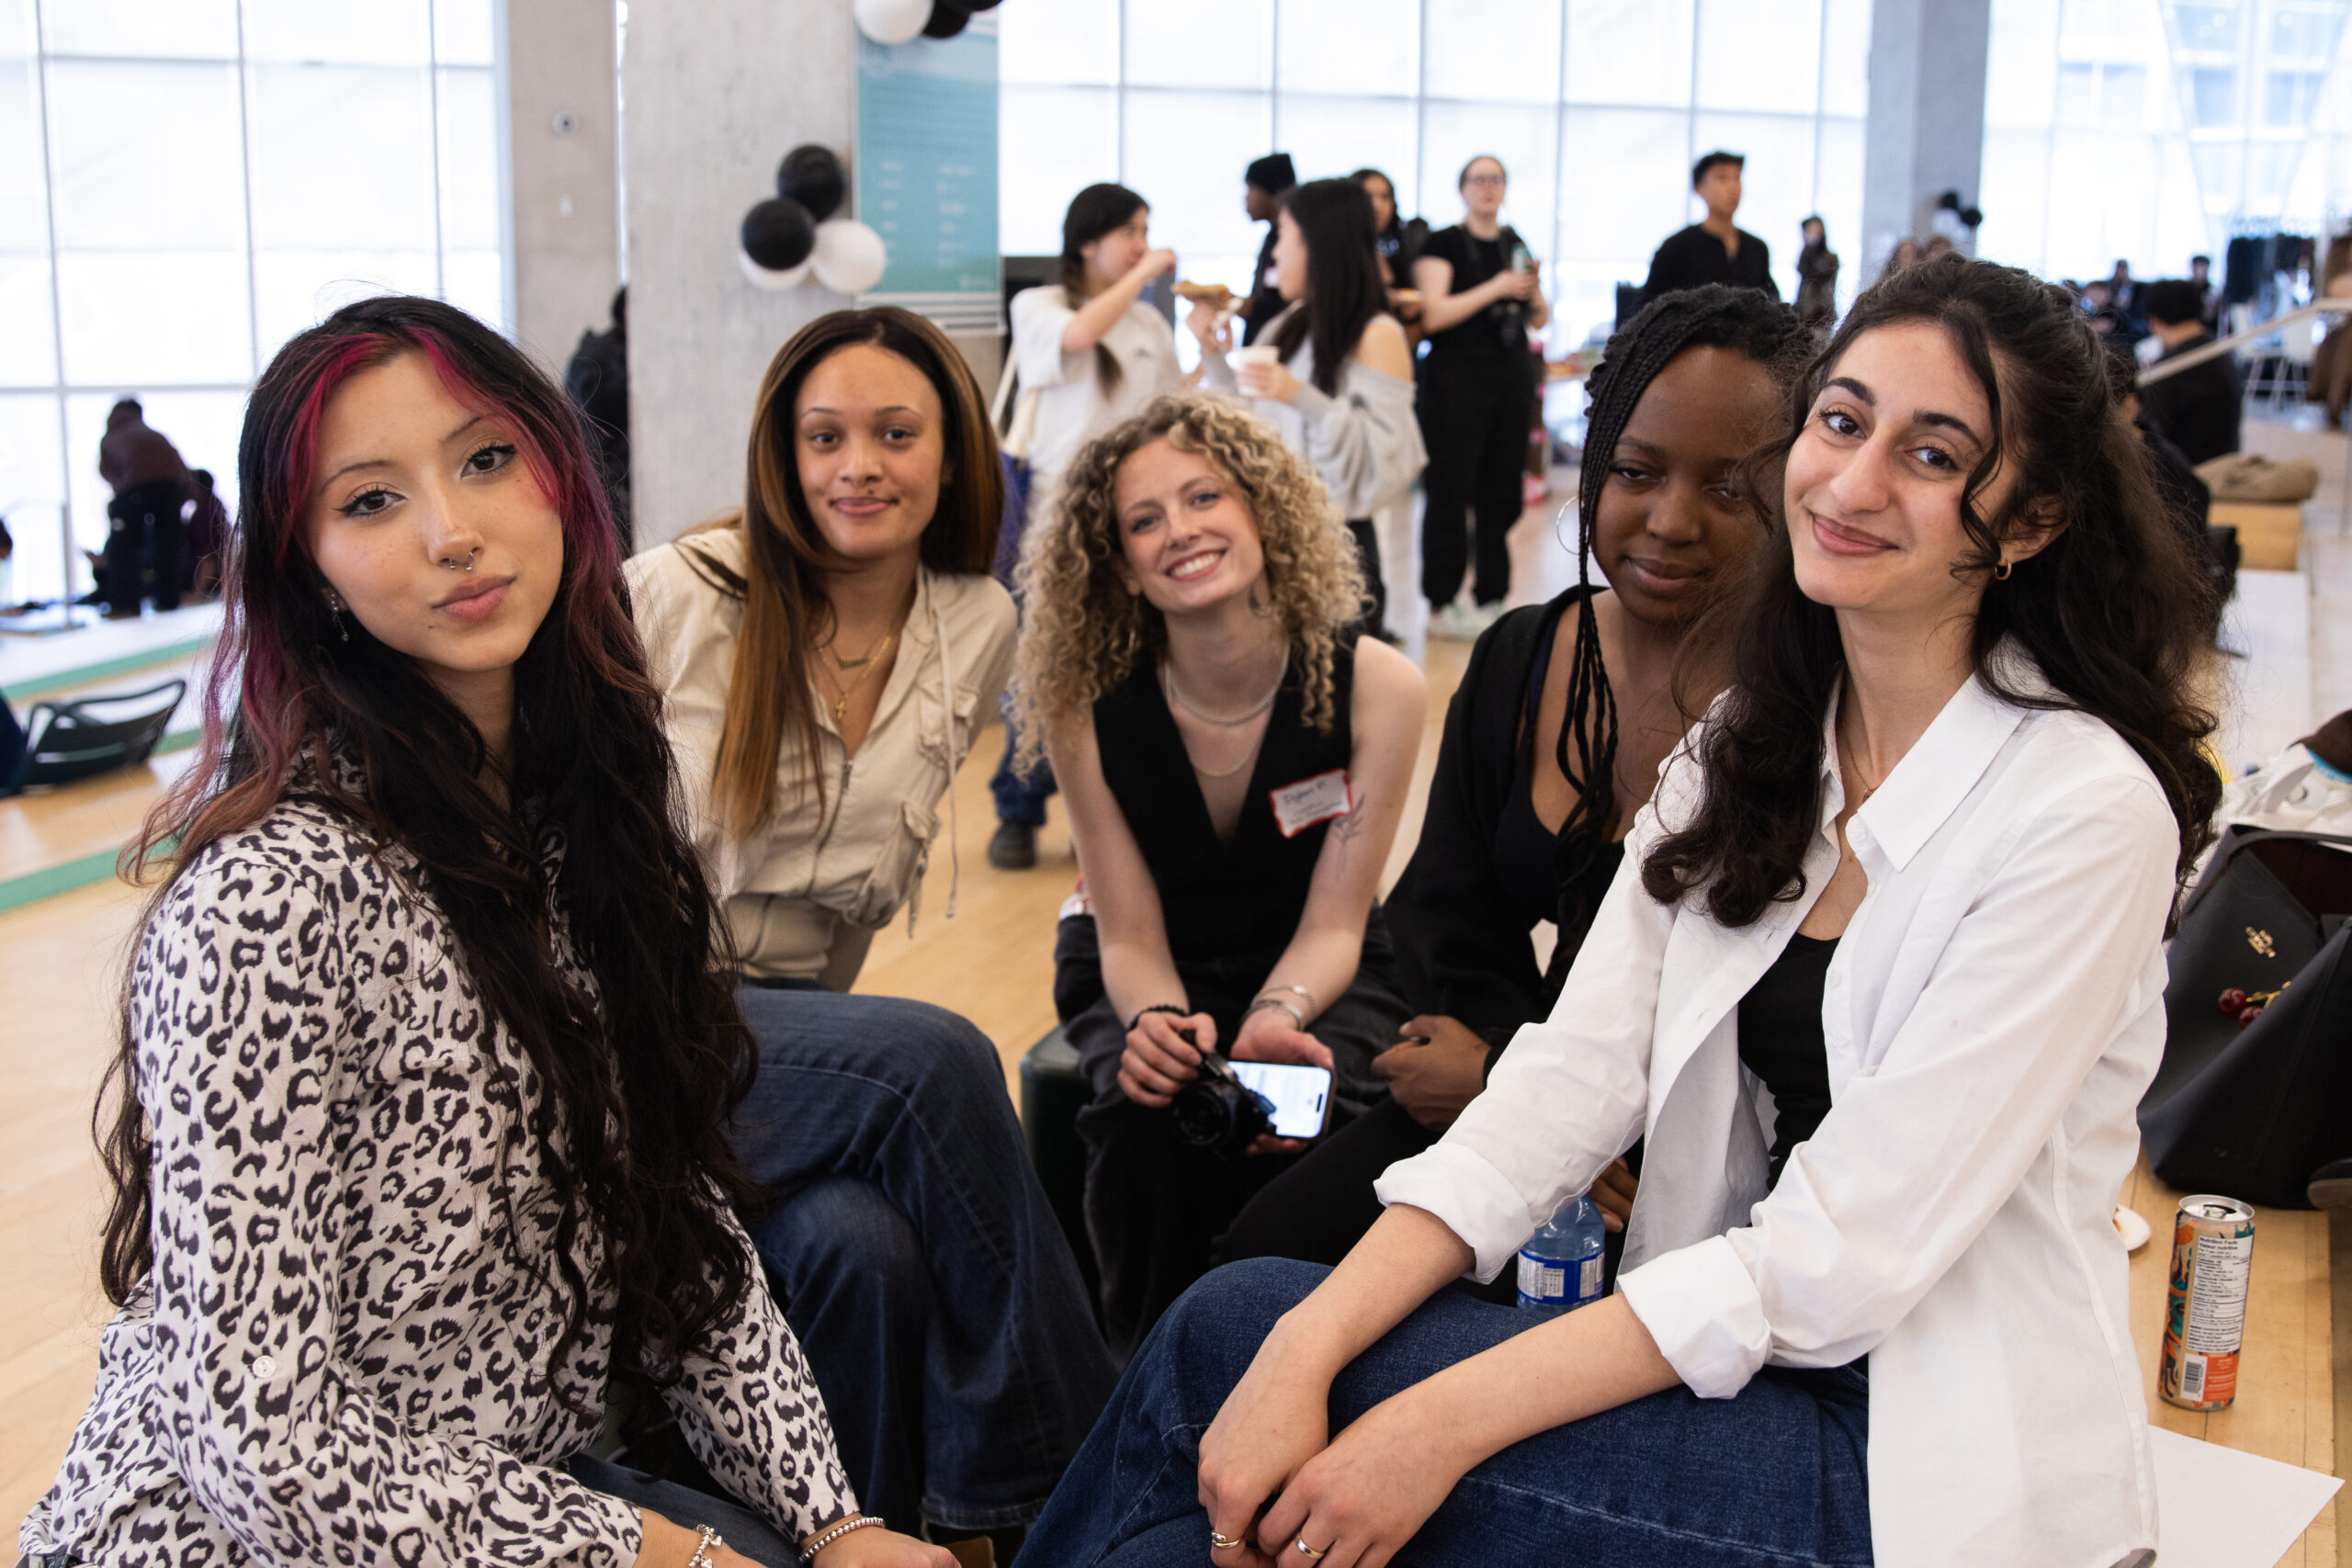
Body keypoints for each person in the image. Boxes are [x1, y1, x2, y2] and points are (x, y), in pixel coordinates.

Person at [1021, 253, 2225, 1568]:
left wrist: (1433, 1423)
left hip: (1919, 1451)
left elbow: (1837, 1260)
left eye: (1933, 455)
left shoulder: (2078, 810)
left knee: (1223, 1412)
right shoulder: (1756, 743)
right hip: (1729, 1357)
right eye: (1842, 420)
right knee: (1241, 1326)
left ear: (2035, 517)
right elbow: (1570, 1071)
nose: (1855, 480)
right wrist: (1308, 1349)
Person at [19, 296, 950, 1568]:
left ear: (560, 477)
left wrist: (829, 1518)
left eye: (484, 459)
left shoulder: (590, 821)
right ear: (312, 573)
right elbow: (259, 1442)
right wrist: (664, 1555)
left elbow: (673, 1218)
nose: (453, 532)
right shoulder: (271, 897)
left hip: (504, 1495)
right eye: (369, 501)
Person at [626, 306, 1116, 1553]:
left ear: (950, 455)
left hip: (784, 1058)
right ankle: (1097, 1498)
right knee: (940, 1059)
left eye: (896, 434)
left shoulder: (976, 622)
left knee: (865, 1244)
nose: (861, 465)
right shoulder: (682, 592)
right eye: (825, 436)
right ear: (782, 457)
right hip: (625, 1029)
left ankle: (881, 1536)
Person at [1216, 285, 1811, 1288]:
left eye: (1727, 490)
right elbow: (1449, 907)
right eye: (1633, 471)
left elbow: (1774, 1030)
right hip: (1501, 1097)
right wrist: (1495, 1072)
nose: (1667, 520)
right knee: (1256, 1264)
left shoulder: (1804, 715)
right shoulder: (1528, 657)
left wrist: (1506, 1082)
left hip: (1698, 1162)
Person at [1014, 390, 1427, 1358]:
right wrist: (1156, 1026)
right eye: (1143, 521)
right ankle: (1146, 1381)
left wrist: (1278, 1015)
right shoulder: (1082, 704)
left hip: (1318, 959)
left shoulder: (1378, 687)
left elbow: (1335, 922)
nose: (1180, 533)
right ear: (1117, 564)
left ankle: (1304, 1370)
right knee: (1147, 1119)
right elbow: (1124, 932)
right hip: (1146, 959)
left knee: (1320, 1120)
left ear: (1260, 510)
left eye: (1204, 499)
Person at [991, 182, 1189, 870]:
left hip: (1133, 525)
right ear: (1087, 241)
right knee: (1041, 673)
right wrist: (1144, 274)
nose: (1143, 244)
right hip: (1052, 525)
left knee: (1124, 670)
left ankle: (1100, 812)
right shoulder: (1040, 305)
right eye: (1130, 231)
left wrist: (1216, 351)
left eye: (1146, 230)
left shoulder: (1149, 327)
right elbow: (1078, 335)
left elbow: (1175, 411)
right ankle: (1016, 810)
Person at [1197, 176, 1424, 638]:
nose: (1276, 252)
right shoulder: (1285, 325)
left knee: (1336, 693)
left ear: (1319, 246)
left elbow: (1380, 463)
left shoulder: (1377, 334)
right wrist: (1212, 356)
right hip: (1273, 535)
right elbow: (1245, 420)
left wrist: (1296, 394)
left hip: (1338, 547)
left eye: (1284, 236)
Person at [1412, 155, 1547, 639]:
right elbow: (1433, 316)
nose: (1488, 188)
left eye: (1496, 179)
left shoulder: (1515, 242)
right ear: (1462, 188)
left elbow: (1540, 317)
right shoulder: (1442, 243)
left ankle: (1492, 596)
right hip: (1455, 375)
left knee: (1502, 488)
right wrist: (1496, 287)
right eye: (1478, 179)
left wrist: (1529, 293)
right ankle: (1442, 600)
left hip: (1509, 372)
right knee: (1449, 489)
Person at [1639, 151, 1777, 307]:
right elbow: (1649, 309)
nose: (1733, 187)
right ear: (1700, 188)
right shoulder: (1677, 248)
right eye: (1722, 178)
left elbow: (1771, 301)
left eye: (1737, 177)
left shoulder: (1757, 248)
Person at [97, 398, 194, 617]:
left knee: (123, 547)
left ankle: (126, 606)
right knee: (168, 545)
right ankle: (169, 601)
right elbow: (181, 468)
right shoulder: (154, 434)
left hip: (134, 489)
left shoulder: (111, 436)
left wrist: (121, 495)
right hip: (172, 488)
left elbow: (106, 471)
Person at [2138, 276, 2243, 465]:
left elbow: (2149, 437)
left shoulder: (2173, 367)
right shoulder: (2218, 353)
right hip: (2225, 464)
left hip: (2190, 476)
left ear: (2154, 321)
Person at [565, 284, 633, 551]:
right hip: (605, 477)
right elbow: (594, 404)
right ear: (627, 311)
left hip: (612, 475)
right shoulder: (598, 353)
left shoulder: (613, 350)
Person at [1351, 166, 1424, 334]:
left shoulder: (1395, 255)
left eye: (1385, 197)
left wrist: (1410, 315)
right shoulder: (1339, 256)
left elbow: (1411, 343)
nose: (1377, 205)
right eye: (1368, 196)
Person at [1239, 153, 1297, 347]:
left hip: (1279, 350)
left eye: (1250, 189)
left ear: (1271, 189)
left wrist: (1244, 306)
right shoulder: (1272, 236)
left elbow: (1285, 306)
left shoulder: (1290, 239)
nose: (1245, 198)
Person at [1794, 214, 1838, 330]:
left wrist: (1813, 242)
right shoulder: (1806, 254)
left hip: (1821, 313)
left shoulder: (1830, 258)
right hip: (1803, 312)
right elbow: (1803, 270)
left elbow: (1818, 276)